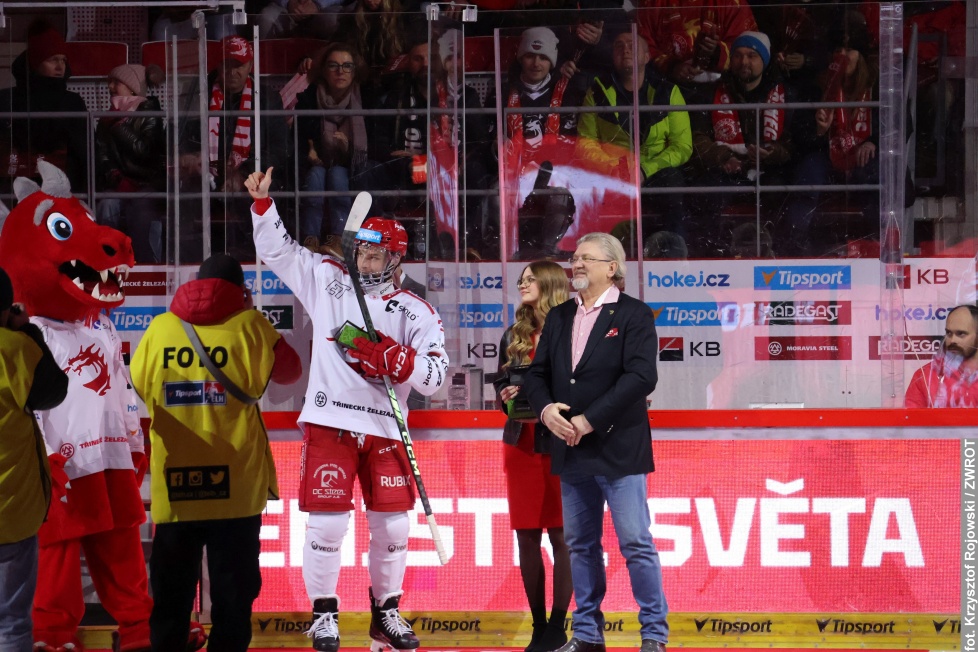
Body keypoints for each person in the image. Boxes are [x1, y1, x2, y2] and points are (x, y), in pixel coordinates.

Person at [245, 167, 449, 652]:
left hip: (385, 429)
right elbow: (279, 251)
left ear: (396, 258)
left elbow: (435, 379)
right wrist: (263, 206)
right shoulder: (328, 280)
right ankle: (324, 616)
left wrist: (398, 359)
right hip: (330, 421)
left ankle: (386, 614)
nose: (365, 259)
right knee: (328, 524)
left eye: (376, 253)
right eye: (361, 251)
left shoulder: (416, 311)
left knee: (393, 527)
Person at [0, 161, 153, 652]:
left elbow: (121, 386)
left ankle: (139, 630)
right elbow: (28, 409)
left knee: (122, 546)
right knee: (57, 553)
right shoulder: (28, 335)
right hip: (60, 464)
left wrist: (134, 440)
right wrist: (45, 460)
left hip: (108, 456)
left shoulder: (99, 323)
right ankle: (50, 636)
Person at [130, 253, 301, 651]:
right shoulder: (251, 325)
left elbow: (139, 384)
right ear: (241, 291)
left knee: (170, 598)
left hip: (177, 488)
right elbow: (290, 372)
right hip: (236, 488)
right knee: (233, 599)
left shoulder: (161, 329)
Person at [523, 232, 667, 652]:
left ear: (612, 267)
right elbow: (536, 374)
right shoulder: (561, 315)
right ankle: (587, 634)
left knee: (635, 542)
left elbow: (641, 377)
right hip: (570, 446)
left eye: (587, 258)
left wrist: (589, 420)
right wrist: (546, 410)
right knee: (581, 546)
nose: (577, 264)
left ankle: (653, 635)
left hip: (619, 447)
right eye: (574, 258)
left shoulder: (635, 314)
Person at [493, 261, 571, 652]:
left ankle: (558, 626)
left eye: (530, 280)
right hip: (520, 443)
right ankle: (539, 626)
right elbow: (501, 386)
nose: (522, 285)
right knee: (527, 536)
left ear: (550, 284)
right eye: (521, 280)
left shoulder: (573, 329)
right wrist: (505, 395)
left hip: (561, 442)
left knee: (562, 537)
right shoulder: (513, 334)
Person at [0, 267, 68, 652]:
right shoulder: (15, 349)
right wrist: (28, 331)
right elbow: (53, 390)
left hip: (12, 515)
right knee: (11, 623)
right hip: (11, 513)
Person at [178, 35, 291, 262]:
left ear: (249, 66)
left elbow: (280, 149)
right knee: (185, 196)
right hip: (204, 175)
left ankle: (251, 258)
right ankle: (191, 261)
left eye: (239, 65)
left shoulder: (266, 98)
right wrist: (187, 156)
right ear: (218, 66)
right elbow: (179, 137)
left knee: (257, 193)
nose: (232, 72)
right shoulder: (197, 95)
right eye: (227, 65)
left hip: (249, 175)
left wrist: (245, 174)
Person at [779, 12, 878, 256]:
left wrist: (873, 141)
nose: (843, 56)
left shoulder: (875, 86)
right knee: (808, 173)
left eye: (850, 50)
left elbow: (900, 124)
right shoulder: (816, 87)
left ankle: (875, 242)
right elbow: (799, 136)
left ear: (861, 56)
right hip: (827, 157)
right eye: (837, 51)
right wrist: (820, 131)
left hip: (861, 155)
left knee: (872, 174)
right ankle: (795, 246)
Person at [576, 29, 691, 239]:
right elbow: (585, 143)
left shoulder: (668, 92)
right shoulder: (597, 92)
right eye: (619, 46)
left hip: (655, 172)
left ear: (647, 57)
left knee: (673, 182)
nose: (625, 50)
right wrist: (614, 167)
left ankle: (672, 250)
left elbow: (682, 146)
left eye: (632, 45)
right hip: (612, 174)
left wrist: (645, 170)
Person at [295, 44, 378, 244]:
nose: (340, 71)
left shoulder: (367, 98)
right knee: (316, 176)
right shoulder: (309, 98)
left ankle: (340, 239)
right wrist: (310, 152)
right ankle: (310, 239)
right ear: (323, 70)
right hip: (317, 165)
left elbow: (376, 147)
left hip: (355, 169)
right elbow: (297, 141)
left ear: (355, 71)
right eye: (333, 65)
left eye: (347, 66)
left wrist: (349, 148)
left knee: (337, 174)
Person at [0, 20, 89, 194]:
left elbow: (84, 153)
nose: (60, 66)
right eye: (52, 59)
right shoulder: (7, 99)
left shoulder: (73, 102)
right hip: (12, 190)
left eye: (63, 60)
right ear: (35, 63)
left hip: (65, 190)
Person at [95, 64, 167, 264]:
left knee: (143, 210)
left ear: (133, 88)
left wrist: (120, 126)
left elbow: (145, 151)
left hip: (146, 184)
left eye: (116, 82)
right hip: (117, 184)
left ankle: (147, 265)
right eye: (110, 82)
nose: (110, 87)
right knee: (106, 205)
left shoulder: (150, 114)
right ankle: (106, 262)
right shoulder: (107, 117)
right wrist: (114, 175)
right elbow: (101, 152)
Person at [635, 0, 757, 86]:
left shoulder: (732, 3)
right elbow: (641, 46)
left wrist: (716, 52)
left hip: (723, 88)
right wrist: (672, 66)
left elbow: (752, 48)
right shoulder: (652, 3)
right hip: (666, 86)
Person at [905, 305, 978, 408]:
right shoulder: (926, 376)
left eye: (961, 334)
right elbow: (911, 416)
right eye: (949, 333)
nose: (952, 340)